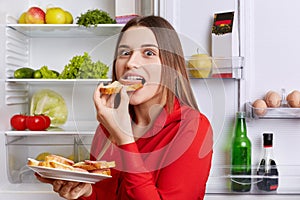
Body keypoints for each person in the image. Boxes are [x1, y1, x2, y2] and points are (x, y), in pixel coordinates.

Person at [36, 15, 213, 200]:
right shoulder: (107, 126)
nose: (130, 63)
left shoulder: (193, 127)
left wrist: (125, 139)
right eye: (125, 53)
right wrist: (86, 192)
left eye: (149, 53)